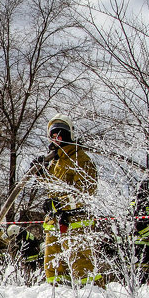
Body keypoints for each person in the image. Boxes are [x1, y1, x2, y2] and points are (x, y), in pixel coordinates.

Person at [36, 114, 99, 285]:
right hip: (55, 223)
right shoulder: (57, 162)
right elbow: (54, 188)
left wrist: (59, 204)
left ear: (69, 135)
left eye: (60, 134)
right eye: (53, 135)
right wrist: (41, 173)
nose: (56, 139)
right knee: (54, 267)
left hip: (75, 224)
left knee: (81, 266)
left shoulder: (80, 159)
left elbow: (86, 192)